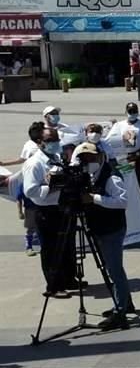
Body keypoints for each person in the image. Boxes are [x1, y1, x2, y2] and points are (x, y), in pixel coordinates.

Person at [73, 142, 132, 330]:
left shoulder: (111, 177)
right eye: (84, 159)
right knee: (112, 268)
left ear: (100, 157)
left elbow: (122, 201)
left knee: (114, 270)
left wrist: (94, 199)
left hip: (112, 230)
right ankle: (124, 302)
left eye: (91, 158)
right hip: (100, 228)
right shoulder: (91, 175)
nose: (87, 162)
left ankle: (120, 311)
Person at [22, 128, 75, 298]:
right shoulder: (34, 163)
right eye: (51, 140)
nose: (55, 143)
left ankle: (68, 278)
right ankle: (54, 286)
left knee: (67, 245)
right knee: (51, 249)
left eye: (56, 140)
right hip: (46, 210)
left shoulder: (57, 158)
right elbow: (30, 191)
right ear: (40, 143)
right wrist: (51, 187)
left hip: (63, 207)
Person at [1, 121, 45, 256]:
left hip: (41, 196)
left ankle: (42, 243)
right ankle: (29, 246)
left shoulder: (48, 147)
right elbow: (22, 160)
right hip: (30, 201)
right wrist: (20, 212)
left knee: (41, 225)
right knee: (31, 226)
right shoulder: (29, 146)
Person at [107, 102, 140, 212]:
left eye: (135, 111)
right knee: (126, 181)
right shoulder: (120, 125)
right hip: (125, 158)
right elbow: (110, 139)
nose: (133, 113)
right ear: (126, 112)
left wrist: (138, 153)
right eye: (130, 111)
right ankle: (128, 204)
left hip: (139, 157)